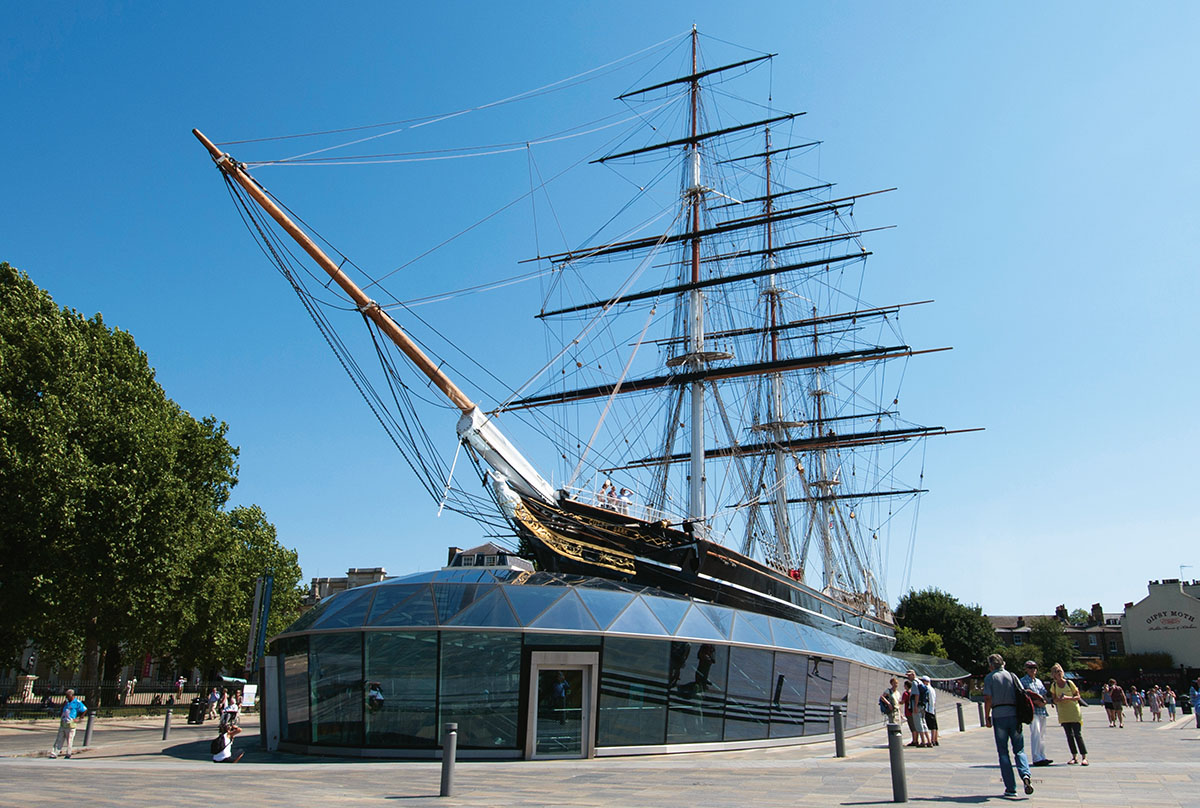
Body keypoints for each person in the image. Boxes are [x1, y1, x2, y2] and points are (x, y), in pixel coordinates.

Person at [983, 653, 1034, 797]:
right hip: (1014, 715)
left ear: (991, 665)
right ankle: (1025, 774)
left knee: (1003, 752)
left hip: (999, 715)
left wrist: (987, 716)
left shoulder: (990, 678)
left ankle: (1011, 787)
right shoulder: (1012, 676)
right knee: (1019, 749)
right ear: (1003, 664)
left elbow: (988, 698)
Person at [1048, 663, 1087, 766]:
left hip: (1073, 711)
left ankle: (1084, 757)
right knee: (1069, 735)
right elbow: (1054, 699)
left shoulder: (1069, 683)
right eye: (1056, 672)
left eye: (1060, 671)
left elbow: (1078, 696)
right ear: (1053, 675)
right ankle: (1074, 756)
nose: (1059, 673)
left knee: (1077, 735)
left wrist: (1067, 698)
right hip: (1063, 713)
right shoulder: (1054, 685)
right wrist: (1058, 700)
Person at [1019, 661, 1052, 766]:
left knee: (1042, 734)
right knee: (1036, 732)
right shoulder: (1023, 681)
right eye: (1030, 668)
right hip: (1032, 711)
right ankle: (1036, 757)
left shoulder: (1038, 681)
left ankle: (1042, 755)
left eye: (1034, 667)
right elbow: (1022, 697)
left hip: (1042, 710)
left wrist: (1045, 701)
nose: (1033, 670)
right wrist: (1035, 702)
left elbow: (1044, 694)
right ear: (1026, 669)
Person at [48, 689, 88, 759]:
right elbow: (62, 710)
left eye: (68, 696)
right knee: (59, 738)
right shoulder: (66, 702)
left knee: (69, 739)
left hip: (71, 723)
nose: (66, 697)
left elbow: (84, 709)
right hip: (63, 722)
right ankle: (55, 753)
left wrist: (79, 718)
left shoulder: (77, 702)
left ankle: (68, 753)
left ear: (71, 695)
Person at [920, 675, 939, 746]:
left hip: (929, 709)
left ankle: (932, 740)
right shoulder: (932, 689)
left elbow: (930, 699)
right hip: (932, 708)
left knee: (931, 725)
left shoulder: (927, 689)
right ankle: (935, 739)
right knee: (934, 725)